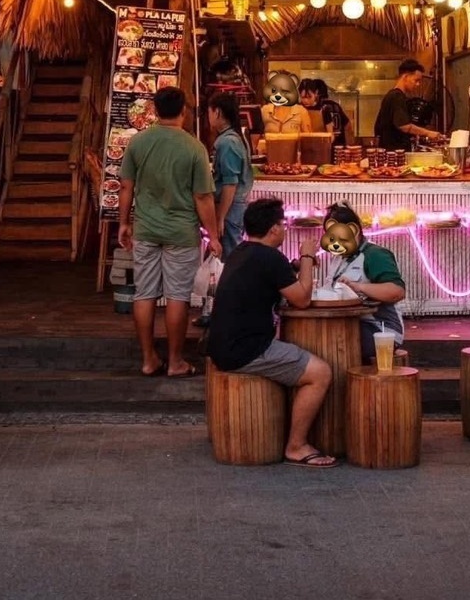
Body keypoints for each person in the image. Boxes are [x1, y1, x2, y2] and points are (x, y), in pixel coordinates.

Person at [207, 198, 338, 468]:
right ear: (274, 229)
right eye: (283, 224)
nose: (285, 229)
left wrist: (295, 267)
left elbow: (273, 277)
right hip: (246, 350)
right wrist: (307, 257)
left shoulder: (242, 251)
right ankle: (297, 446)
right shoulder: (269, 257)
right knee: (320, 372)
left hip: (220, 345)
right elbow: (302, 299)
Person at [118, 86, 221, 378]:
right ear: (183, 111)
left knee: (144, 294)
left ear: (154, 110)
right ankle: (175, 362)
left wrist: (124, 223)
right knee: (177, 296)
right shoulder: (194, 147)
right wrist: (213, 235)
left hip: (146, 230)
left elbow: (125, 186)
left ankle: (149, 359)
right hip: (181, 232)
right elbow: (203, 197)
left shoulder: (138, 142)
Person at [319, 202, 406, 361]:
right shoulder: (338, 258)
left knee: (331, 343)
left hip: (380, 331)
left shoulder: (375, 255)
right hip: (349, 323)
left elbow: (397, 292)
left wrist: (358, 287)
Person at [207, 91, 253, 258]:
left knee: (231, 257)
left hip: (230, 209)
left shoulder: (227, 142)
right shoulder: (235, 137)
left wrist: (220, 217)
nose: (208, 117)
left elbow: (230, 184)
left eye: (209, 112)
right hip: (234, 208)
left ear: (217, 112)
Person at [373, 58, 445, 150]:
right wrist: (428, 133)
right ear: (405, 76)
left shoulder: (392, 95)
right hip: (395, 152)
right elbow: (404, 126)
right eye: (416, 80)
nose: (418, 84)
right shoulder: (397, 97)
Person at [298, 78, 355, 147]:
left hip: (323, 146)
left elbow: (331, 135)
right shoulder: (297, 109)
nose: (306, 101)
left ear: (316, 93)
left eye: (309, 97)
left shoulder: (325, 109)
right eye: (303, 97)